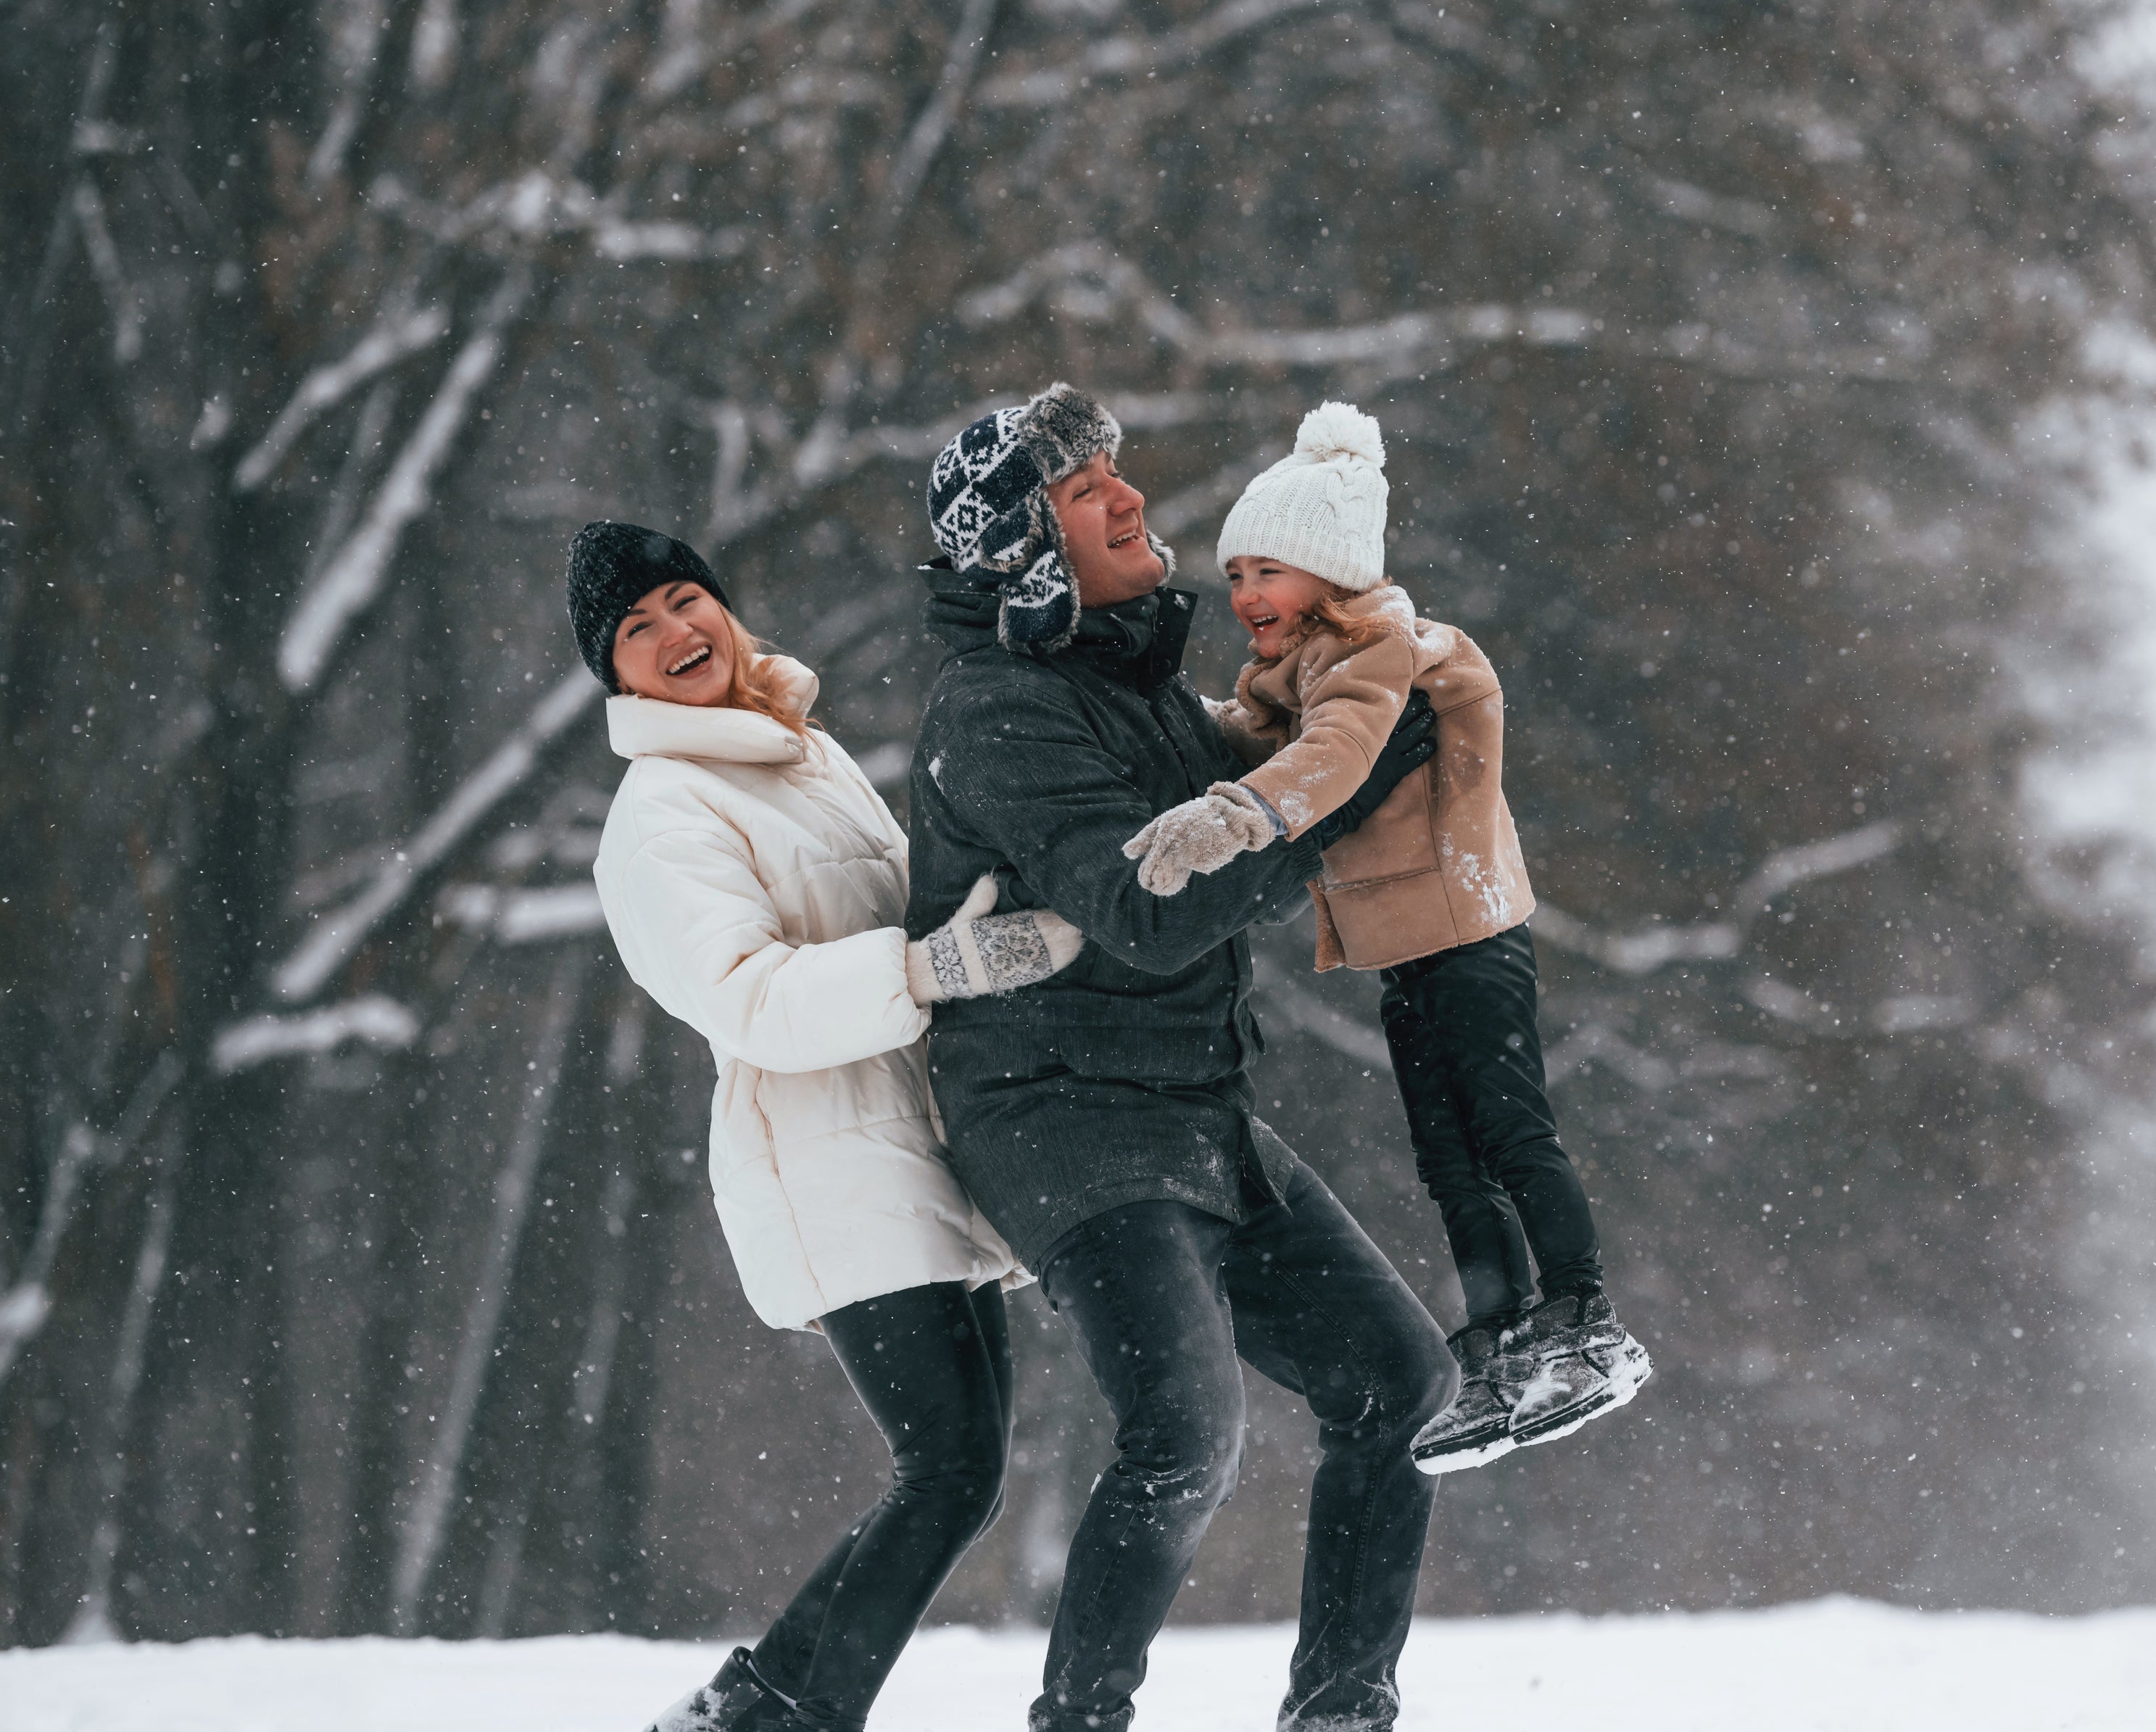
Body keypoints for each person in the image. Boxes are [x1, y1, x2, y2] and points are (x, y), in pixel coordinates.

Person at [903, 384, 1455, 1732]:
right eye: (1090, 492)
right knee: (1185, 1438)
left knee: (1402, 1387)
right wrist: (1347, 803)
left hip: (1189, 1107)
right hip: (1061, 1119)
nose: (1132, 498)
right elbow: (1150, 913)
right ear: (1033, 553)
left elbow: (1276, 784)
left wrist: (1375, 693)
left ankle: (1339, 1710)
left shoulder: (1139, 691)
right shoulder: (1001, 709)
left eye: (1116, 473)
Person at [569, 521, 1082, 1732]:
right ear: (617, 677)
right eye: (634, 631)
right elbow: (748, 999)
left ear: (726, 610)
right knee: (951, 1470)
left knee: (964, 1478)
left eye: (683, 600)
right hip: (824, 1156)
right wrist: (936, 967)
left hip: (912, 1141)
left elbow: (900, 910)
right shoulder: (660, 815)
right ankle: (773, 1714)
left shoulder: (803, 754)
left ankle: (760, 1710)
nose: (672, 634)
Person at [1122, 403, 1651, 1475]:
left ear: (1329, 571)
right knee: (1448, 1156)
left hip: (1469, 936)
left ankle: (1585, 1319)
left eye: (1268, 570)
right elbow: (1259, 731)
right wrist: (1164, 711)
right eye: (1235, 578)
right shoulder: (1303, 667)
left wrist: (1233, 816)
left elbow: (1336, 754)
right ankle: (1500, 1338)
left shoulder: (1377, 651)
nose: (1246, 597)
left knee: (1508, 1131)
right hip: (1414, 948)